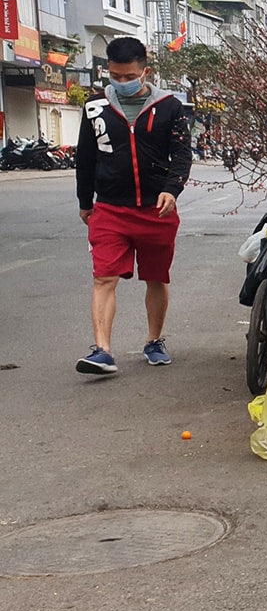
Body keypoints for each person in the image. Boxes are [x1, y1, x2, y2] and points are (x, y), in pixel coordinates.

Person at [75, 37, 192, 375]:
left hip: (157, 210)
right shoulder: (95, 107)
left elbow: (183, 153)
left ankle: (154, 340)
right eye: (115, 76)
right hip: (110, 208)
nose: (121, 82)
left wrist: (172, 190)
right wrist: (86, 201)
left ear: (145, 72)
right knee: (104, 278)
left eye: (128, 76)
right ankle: (102, 350)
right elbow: (85, 157)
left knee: (156, 277)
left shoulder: (170, 106)